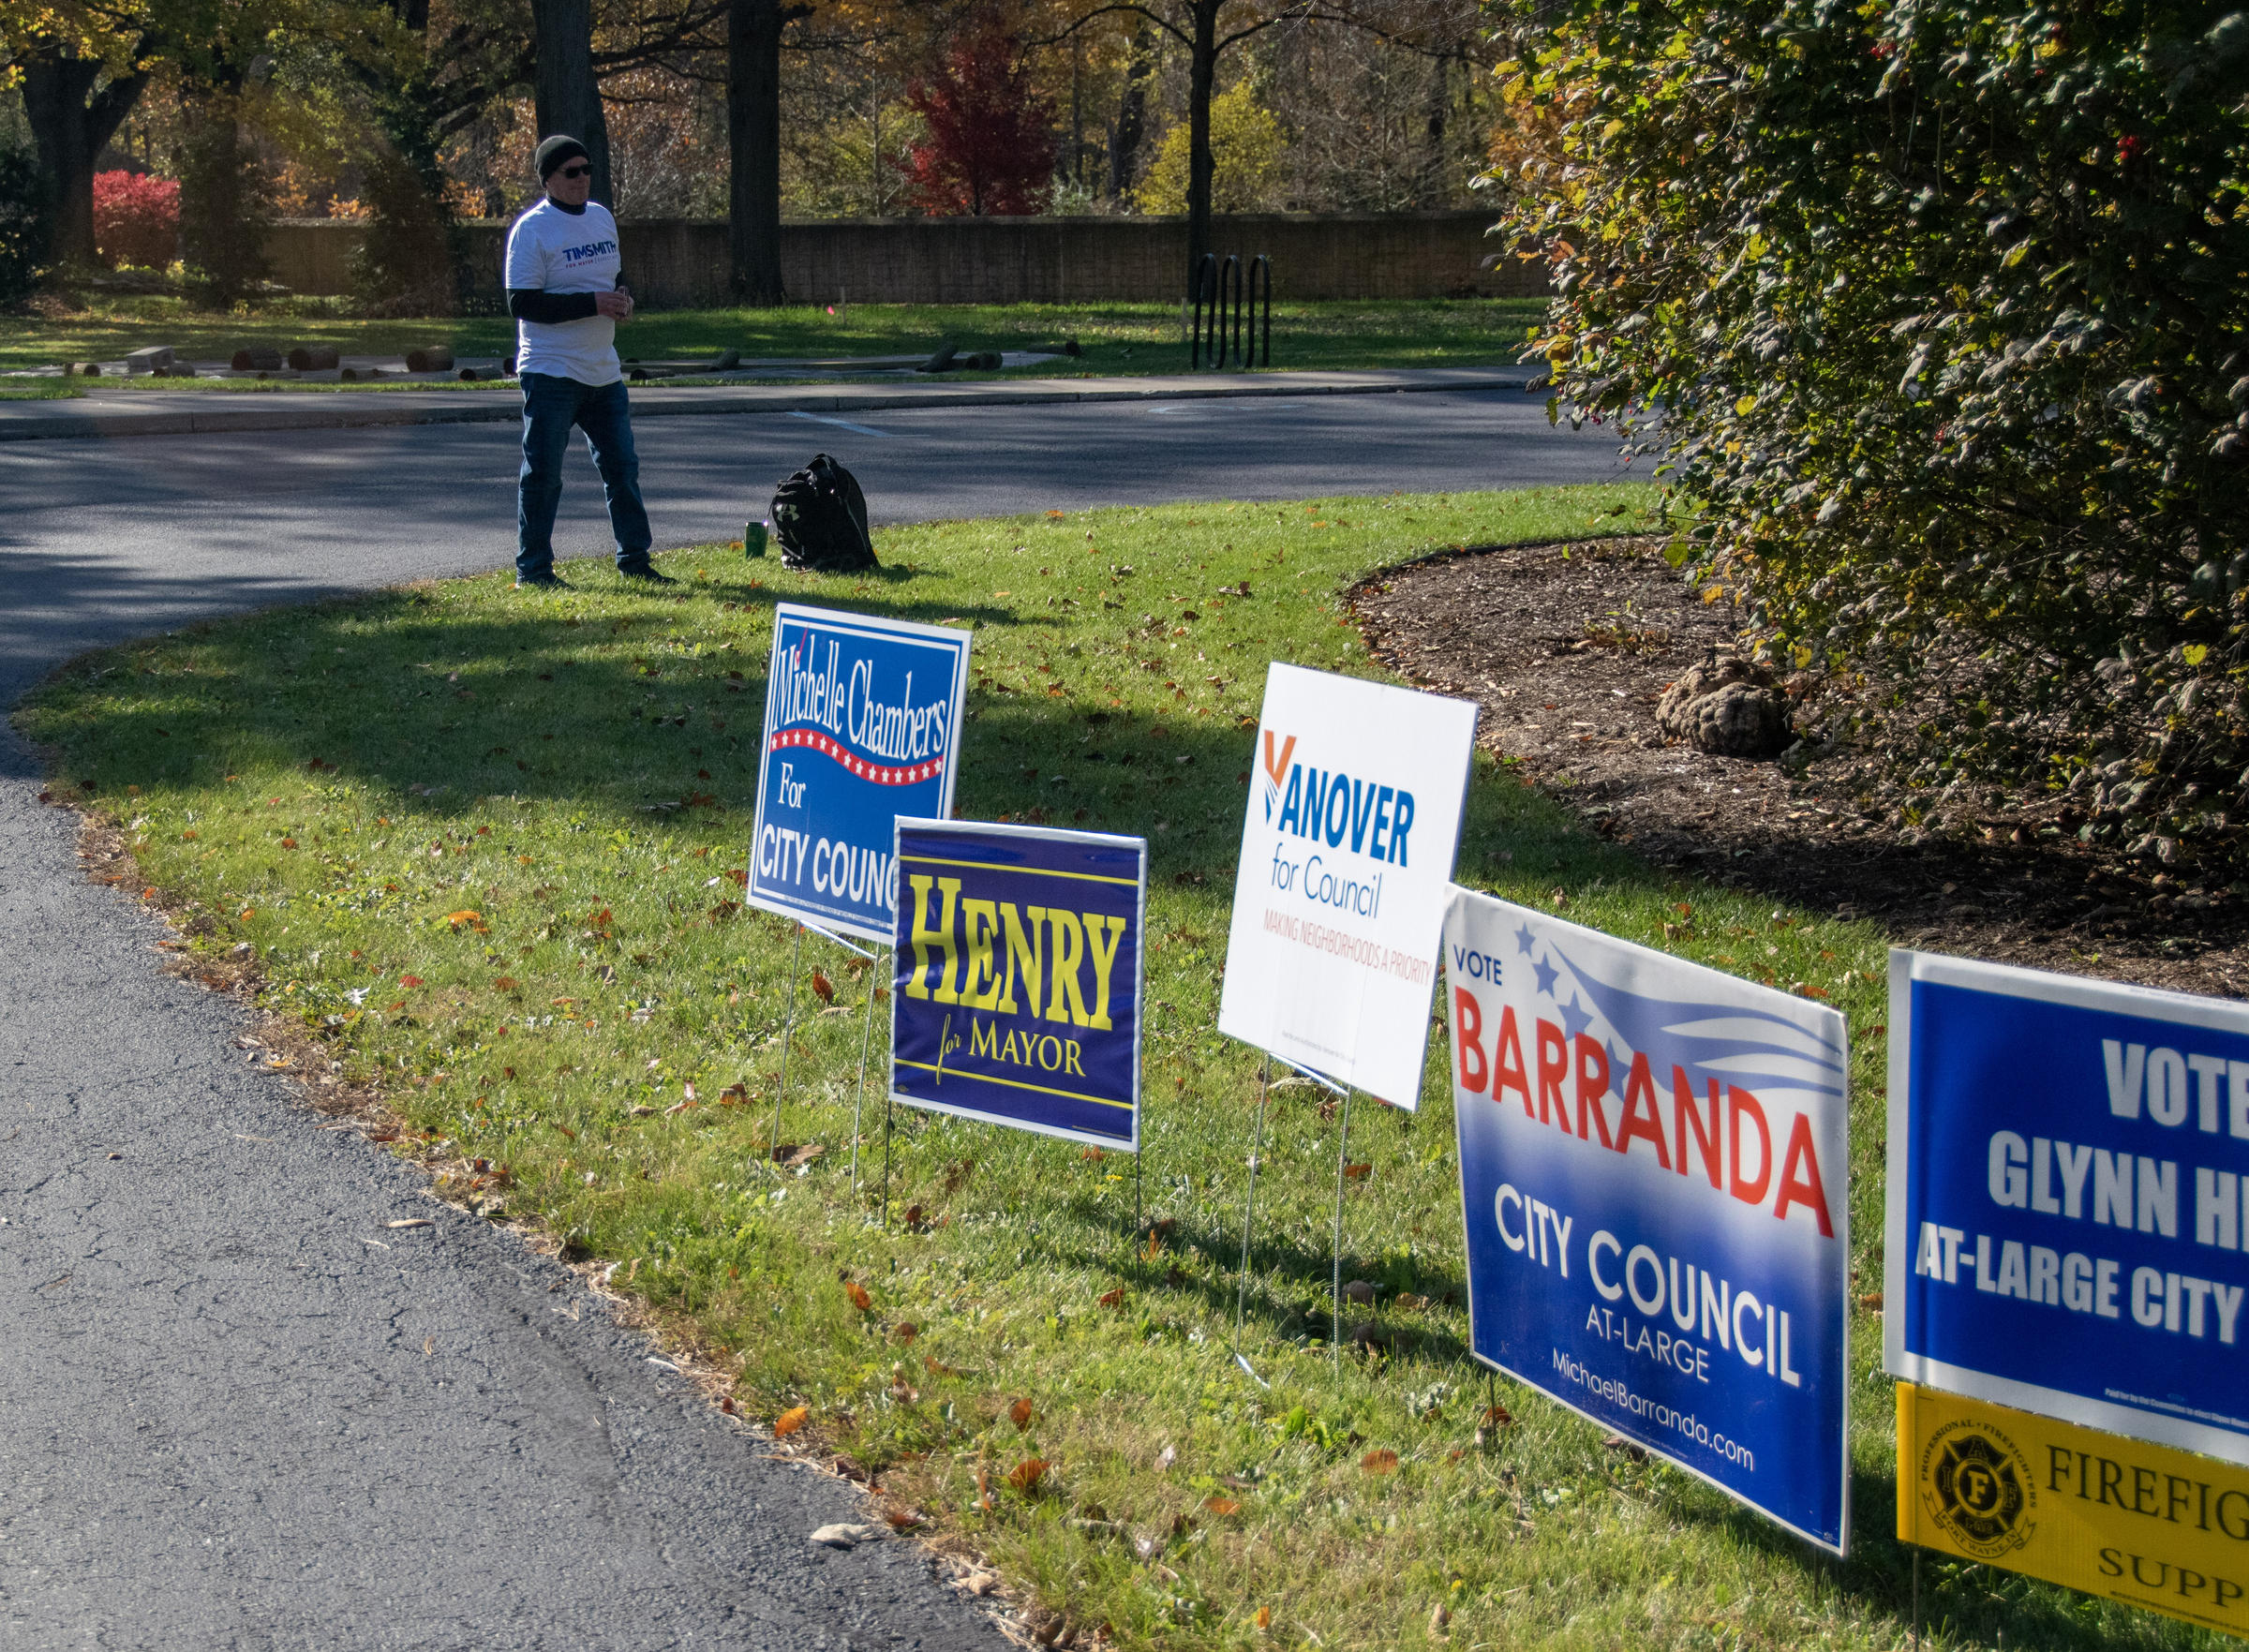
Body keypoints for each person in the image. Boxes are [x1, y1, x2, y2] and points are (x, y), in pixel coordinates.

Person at [504, 134, 673, 589]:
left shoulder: (601, 219)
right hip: (550, 370)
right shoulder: (532, 230)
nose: (582, 179)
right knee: (543, 475)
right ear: (548, 179)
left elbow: (613, 279)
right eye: (570, 172)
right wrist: (592, 304)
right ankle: (533, 570)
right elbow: (522, 303)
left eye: (587, 169)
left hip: (603, 370)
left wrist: (621, 300)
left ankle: (635, 561)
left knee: (623, 469)